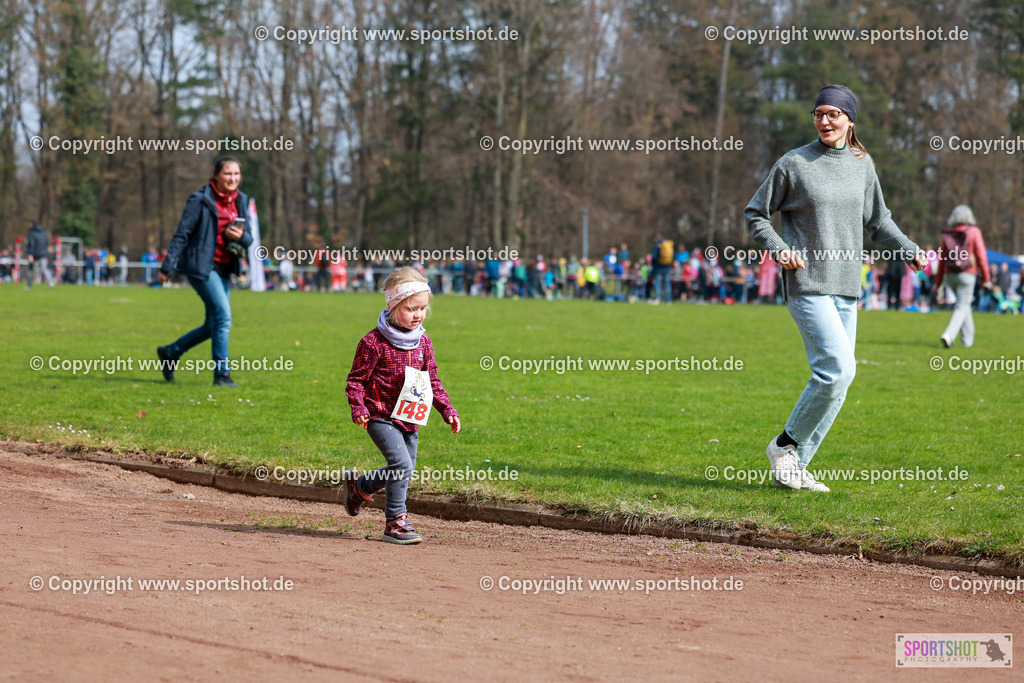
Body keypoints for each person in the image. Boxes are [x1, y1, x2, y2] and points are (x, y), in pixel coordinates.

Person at [745, 84, 927, 492]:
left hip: (847, 287)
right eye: (818, 114)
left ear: (849, 120)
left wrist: (910, 249)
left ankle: (795, 467)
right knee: (836, 370)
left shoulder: (862, 163)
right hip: (808, 283)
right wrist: (779, 249)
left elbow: (879, 220)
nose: (824, 121)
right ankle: (784, 446)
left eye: (832, 114)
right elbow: (756, 214)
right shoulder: (795, 163)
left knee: (843, 378)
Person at [343, 267, 461, 545]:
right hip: (380, 415)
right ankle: (395, 522)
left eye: (422, 309)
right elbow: (355, 381)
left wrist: (448, 410)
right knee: (400, 465)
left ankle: (360, 487)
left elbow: (432, 379)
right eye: (411, 308)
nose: (418, 315)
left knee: (404, 469)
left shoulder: (423, 342)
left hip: (410, 416)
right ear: (393, 305)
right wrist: (359, 408)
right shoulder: (373, 342)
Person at [157, 156, 253, 387]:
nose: (233, 178)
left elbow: (249, 238)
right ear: (217, 175)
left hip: (225, 267)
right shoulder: (200, 200)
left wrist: (241, 236)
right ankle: (222, 375)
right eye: (228, 174)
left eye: (236, 174)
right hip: (201, 266)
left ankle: (170, 352)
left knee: (214, 325)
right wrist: (168, 266)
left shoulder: (241, 200)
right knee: (224, 317)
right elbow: (182, 234)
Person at [935, 205, 990, 348]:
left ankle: (967, 342)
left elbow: (941, 260)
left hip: (950, 275)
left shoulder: (949, 234)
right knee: (962, 306)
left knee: (964, 305)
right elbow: (981, 256)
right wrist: (986, 278)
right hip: (967, 274)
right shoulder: (974, 232)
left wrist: (938, 281)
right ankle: (949, 335)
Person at [25, 221, 56, 289]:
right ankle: (50, 282)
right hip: (43, 253)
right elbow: (46, 243)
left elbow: (31, 244)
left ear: (32, 225)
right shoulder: (43, 233)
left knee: (30, 269)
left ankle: (29, 285)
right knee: (44, 269)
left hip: (34, 253)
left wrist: (30, 254)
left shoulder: (31, 233)